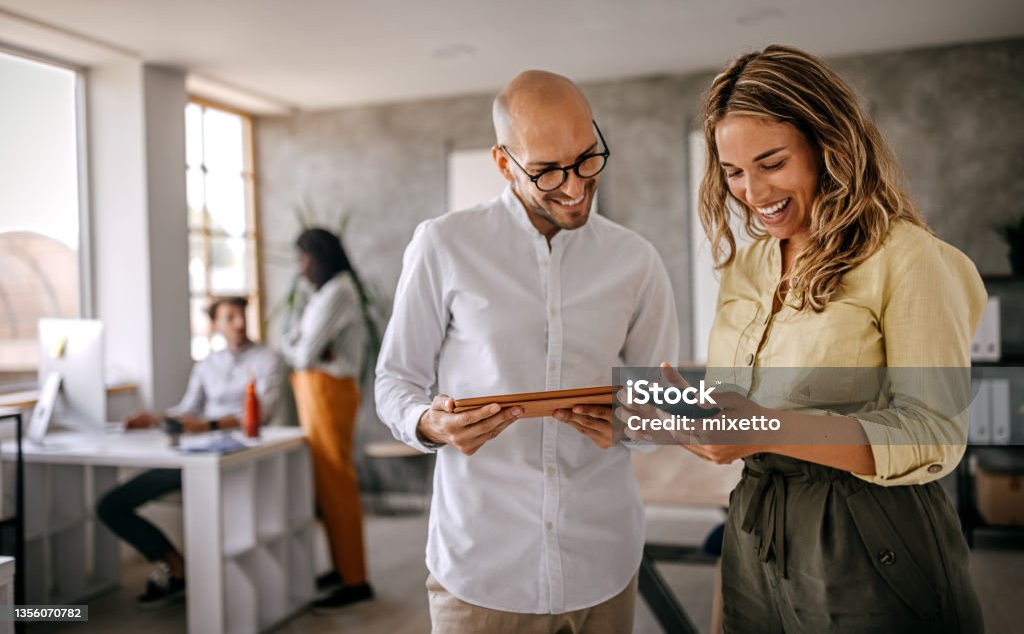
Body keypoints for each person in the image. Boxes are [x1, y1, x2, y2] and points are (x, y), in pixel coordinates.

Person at [669, 44, 985, 632]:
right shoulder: (747, 267)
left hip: (870, 533)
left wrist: (758, 426)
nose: (753, 192)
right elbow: (739, 409)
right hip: (756, 526)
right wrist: (662, 416)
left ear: (828, 145)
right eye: (733, 171)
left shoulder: (909, 259)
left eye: (771, 163)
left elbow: (935, 433)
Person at [376, 70, 680, 633]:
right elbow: (395, 381)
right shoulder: (443, 245)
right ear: (502, 163)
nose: (574, 186)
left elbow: (660, 402)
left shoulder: (636, 261)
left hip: (603, 561)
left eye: (588, 158)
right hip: (483, 567)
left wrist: (634, 422)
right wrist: (430, 423)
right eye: (546, 172)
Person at [97, 296, 281, 608]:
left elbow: (260, 415)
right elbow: (186, 410)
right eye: (230, 317)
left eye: (242, 315)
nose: (239, 323)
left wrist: (205, 425)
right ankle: (175, 564)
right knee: (111, 506)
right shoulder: (206, 365)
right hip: (195, 456)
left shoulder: (267, 359)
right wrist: (155, 419)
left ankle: (212, 590)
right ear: (215, 325)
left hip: (237, 457)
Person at [281, 228, 373, 609]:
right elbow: (301, 345)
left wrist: (296, 344)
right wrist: (302, 344)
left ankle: (355, 580)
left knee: (336, 483)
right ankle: (342, 569)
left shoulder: (337, 291)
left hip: (328, 392)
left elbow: (300, 353)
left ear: (320, 257)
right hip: (318, 391)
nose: (301, 269)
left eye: (304, 259)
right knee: (327, 484)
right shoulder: (324, 293)